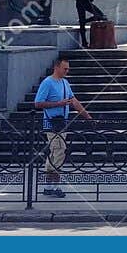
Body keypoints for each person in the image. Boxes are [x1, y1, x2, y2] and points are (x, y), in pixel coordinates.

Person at [32, 56, 91, 198]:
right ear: (56, 67)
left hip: (62, 123)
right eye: (65, 68)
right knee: (58, 151)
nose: (67, 71)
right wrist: (58, 103)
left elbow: (73, 101)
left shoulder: (65, 83)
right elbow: (38, 103)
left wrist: (87, 116)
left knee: (57, 152)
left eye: (68, 69)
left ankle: (50, 185)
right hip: (51, 123)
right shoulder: (47, 83)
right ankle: (53, 186)